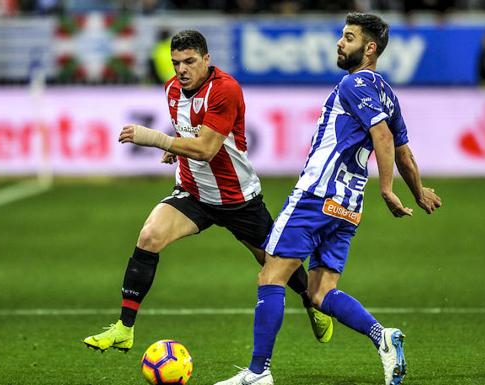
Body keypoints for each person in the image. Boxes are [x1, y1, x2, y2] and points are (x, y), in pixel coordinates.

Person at [214, 13, 442, 385]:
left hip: (316, 196)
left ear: (369, 49)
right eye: (342, 35)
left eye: (349, 37)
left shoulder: (356, 84)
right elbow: (404, 152)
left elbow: (383, 138)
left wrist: (387, 189)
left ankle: (258, 373)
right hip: (346, 208)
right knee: (320, 292)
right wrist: (419, 192)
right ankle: (382, 338)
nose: (340, 42)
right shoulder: (388, 93)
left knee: (271, 276)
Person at [83, 30, 333, 353]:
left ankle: (312, 303)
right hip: (193, 193)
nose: (182, 69)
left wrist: (156, 139)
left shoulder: (225, 90)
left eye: (189, 61)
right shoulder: (172, 89)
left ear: (206, 60)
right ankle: (124, 328)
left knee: (278, 264)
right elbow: (189, 131)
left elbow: (206, 148)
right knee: (148, 237)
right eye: (176, 63)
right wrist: (176, 149)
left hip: (237, 199)